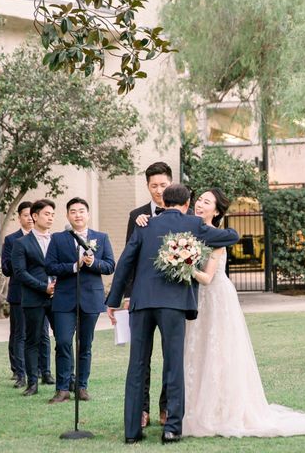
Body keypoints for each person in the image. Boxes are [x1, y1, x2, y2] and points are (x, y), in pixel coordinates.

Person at [174, 188, 305, 437]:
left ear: (217, 211)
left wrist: (183, 263)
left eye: (206, 202)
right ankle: (192, 408)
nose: (199, 205)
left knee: (219, 351)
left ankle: (220, 410)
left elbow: (208, 277)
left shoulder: (219, 237)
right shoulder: (189, 232)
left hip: (216, 297)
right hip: (198, 301)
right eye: (199, 200)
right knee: (197, 349)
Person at [105, 184, 240, 444]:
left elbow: (125, 262)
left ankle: (132, 432)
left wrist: (113, 300)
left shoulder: (144, 225)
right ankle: (172, 429)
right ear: (187, 203)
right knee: (173, 364)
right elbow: (231, 236)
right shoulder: (194, 224)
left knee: (137, 366)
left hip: (142, 304)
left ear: (163, 202)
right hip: (173, 305)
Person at [45, 197, 115, 403]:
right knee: (64, 342)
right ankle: (63, 388)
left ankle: (82, 387)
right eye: (73, 211)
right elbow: (50, 266)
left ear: (88, 214)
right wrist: (74, 266)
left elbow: (110, 265)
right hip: (64, 299)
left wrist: (93, 263)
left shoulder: (101, 237)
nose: (77, 214)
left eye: (81, 211)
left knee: (85, 345)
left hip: (91, 298)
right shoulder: (58, 238)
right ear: (67, 215)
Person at [124, 161, 172, 428]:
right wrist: (128, 294)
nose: (158, 190)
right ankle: (142, 410)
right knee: (141, 356)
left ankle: (166, 407)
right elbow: (130, 259)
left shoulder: (181, 212)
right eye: (154, 186)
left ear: (171, 184)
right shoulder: (137, 216)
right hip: (142, 298)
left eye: (163, 185)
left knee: (170, 356)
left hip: (170, 298)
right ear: (147, 186)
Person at [1, 201, 54, 389]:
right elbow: (10, 269)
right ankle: (21, 373)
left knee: (44, 335)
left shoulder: (51, 238)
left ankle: (45, 371)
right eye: (25, 215)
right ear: (26, 217)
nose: (28, 219)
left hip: (49, 293)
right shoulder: (13, 240)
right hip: (22, 293)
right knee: (21, 334)